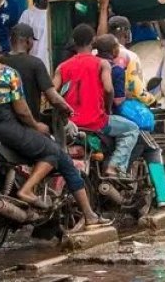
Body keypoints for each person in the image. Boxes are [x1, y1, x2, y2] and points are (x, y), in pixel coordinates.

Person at [0, 35, 109, 226]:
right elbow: (22, 111)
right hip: (6, 128)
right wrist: (36, 125)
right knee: (55, 152)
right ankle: (31, 192)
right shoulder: (8, 73)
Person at [55, 24, 139, 179]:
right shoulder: (102, 64)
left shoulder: (62, 67)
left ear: (74, 41)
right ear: (92, 41)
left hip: (70, 124)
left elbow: (52, 93)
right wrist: (107, 109)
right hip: (97, 122)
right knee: (132, 129)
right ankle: (115, 166)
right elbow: (108, 89)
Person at [0, 23, 72, 124]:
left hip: (5, 123)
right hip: (30, 124)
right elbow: (53, 98)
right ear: (28, 41)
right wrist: (68, 109)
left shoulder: (0, 61)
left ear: (10, 40)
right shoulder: (35, 63)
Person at [95, 0, 158, 106]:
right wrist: (152, 100)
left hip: (98, 104)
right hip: (123, 106)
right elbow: (137, 89)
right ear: (127, 33)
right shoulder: (130, 57)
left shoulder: (95, 54)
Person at [19, 0, 62, 72]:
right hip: (34, 67)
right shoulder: (28, 15)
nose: (58, 0)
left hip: (57, 67)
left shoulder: (61, 15)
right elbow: (21, 42)